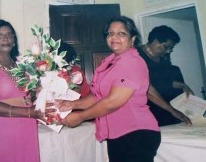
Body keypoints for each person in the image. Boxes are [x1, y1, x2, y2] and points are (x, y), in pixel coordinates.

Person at [58, 16, 161, 162]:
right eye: (110, 33)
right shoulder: (110, 61)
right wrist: (74, 104)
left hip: (136, 132)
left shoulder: (132, 62)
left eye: (121, 33)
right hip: (119, 133)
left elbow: (113, 101)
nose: (114, 37)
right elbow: (98, 95)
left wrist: (80, 116)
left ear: (133, 39)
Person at [0, 19, 52, 162]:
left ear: (14, 40)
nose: (6, 38)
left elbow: (28, 96)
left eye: (10, 34)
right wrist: (29, 112)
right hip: (0, 127)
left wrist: (41, 93)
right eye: (0, 35)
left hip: (26, 125)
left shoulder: (23, 65)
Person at [138, 25, 193, 126]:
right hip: (149, 107)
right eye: (166, 47)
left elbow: (164, 81)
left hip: (166, 105)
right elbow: (148, 88)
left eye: (170, 49)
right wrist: (172, 110)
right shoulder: (137, 56)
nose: (168, 51)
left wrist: (183, 86)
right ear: (155, 41)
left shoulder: (164, 58)